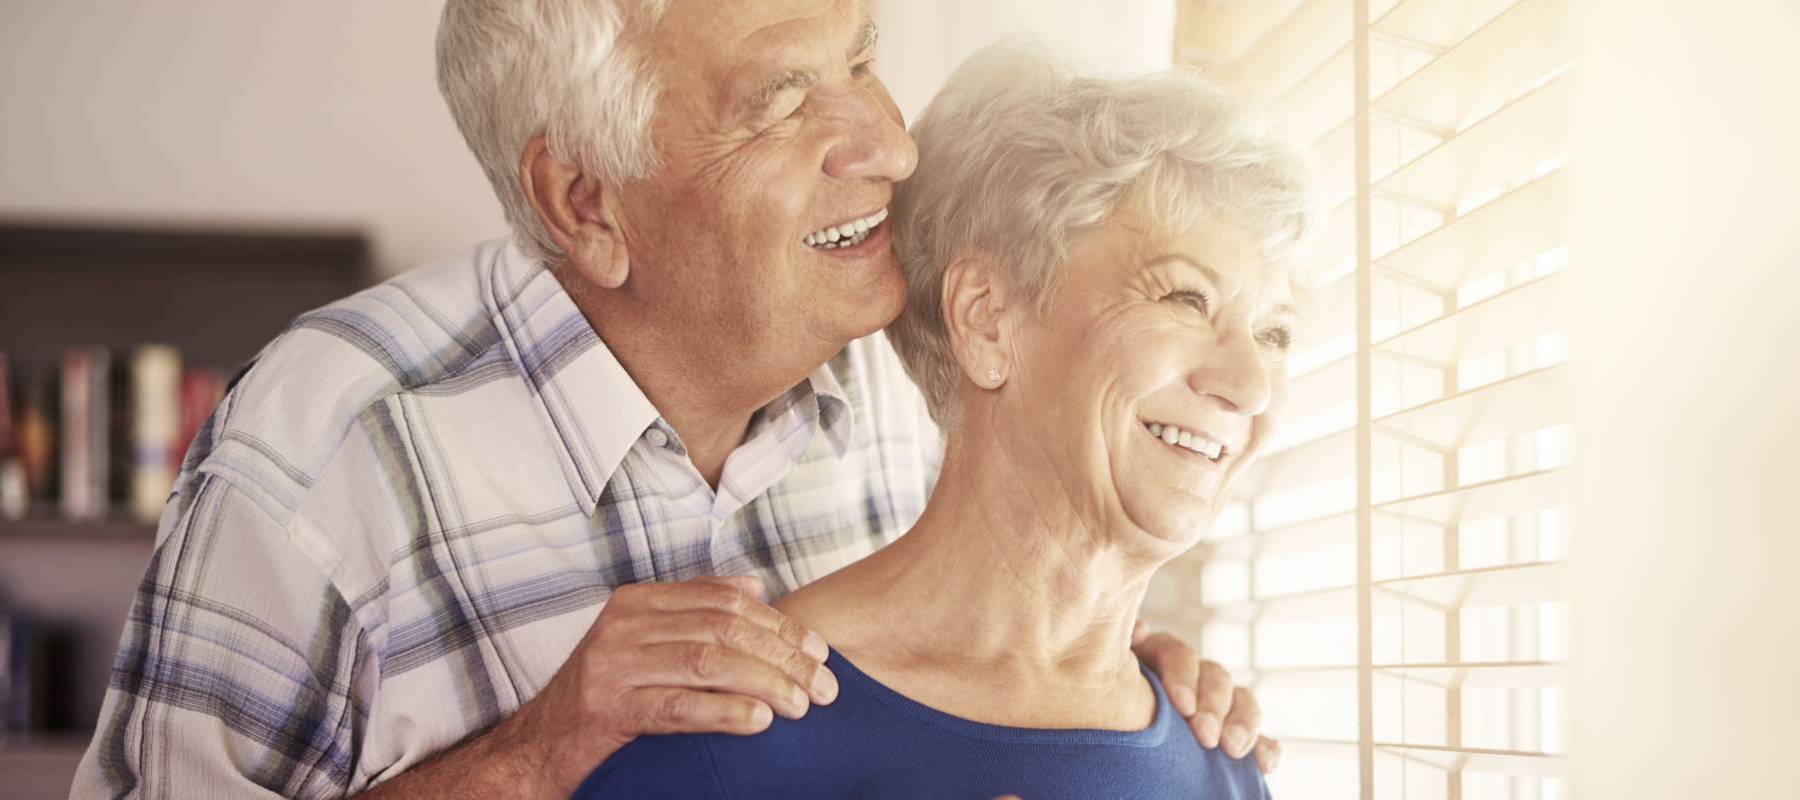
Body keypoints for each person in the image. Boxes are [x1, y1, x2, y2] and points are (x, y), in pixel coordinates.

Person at [68, 2, 1271, 798]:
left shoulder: (894, 355)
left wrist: (1094, 679)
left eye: (861, 58)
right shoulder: (325, 451)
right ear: (586, 200)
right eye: (783, 101)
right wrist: (534, 757)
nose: (889, 147)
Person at [571, 41, 1312, 799]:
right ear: (988, 321)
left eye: (1275, 335)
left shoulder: (1224, 761)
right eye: (1184, 299)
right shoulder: (730, 739)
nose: (1250, 383)